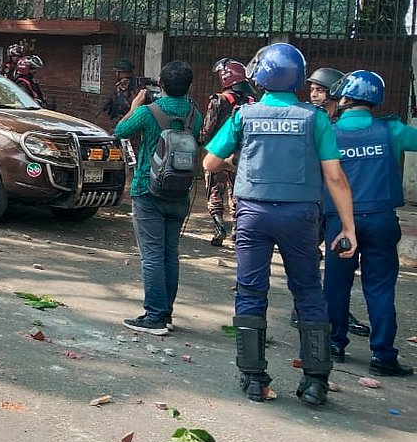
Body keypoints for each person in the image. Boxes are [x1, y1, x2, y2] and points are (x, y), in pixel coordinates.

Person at [203, 42, 357, 406]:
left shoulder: (244, 115)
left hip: (253, 215)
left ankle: (255, 379)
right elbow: (335, 177)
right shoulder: (315, 118)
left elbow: (209, 162)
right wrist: (348, 228)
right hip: (301, 217)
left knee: (251, 292)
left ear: (263, 77)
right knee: (308, 292)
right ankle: (316, 382)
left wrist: (238, 168)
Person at [322, 71, 414, 376]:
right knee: (380, 287)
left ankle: (334, 343)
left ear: (345, 97)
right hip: (381, 220)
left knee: (336, 286)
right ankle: (382, 354)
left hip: (339, 221)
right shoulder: (392, 130)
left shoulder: (328, 132)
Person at [114, 61, 201, 337]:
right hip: (180, 192)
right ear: (189, 86)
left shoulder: (148, 111)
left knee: (151, 256)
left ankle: (154, 317)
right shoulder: (193, 114)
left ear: (161, 84)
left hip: (147, 189)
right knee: (170, 254)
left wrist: (135, 105)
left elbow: (120, 131)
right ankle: (166, 313)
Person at [302, 65, 371, 338]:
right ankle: (312, 308)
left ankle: (336, 311)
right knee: (311, 255)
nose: (314, 95)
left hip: (334, 201)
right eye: (312, 90)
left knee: (337, 261)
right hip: (315, 199)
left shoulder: (338, 126)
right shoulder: (314, 121)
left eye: (320, 90)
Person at [199, 58, 257, 247]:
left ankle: (218, 227)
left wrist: (200, 139)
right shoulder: (251, 101)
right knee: (237, 192)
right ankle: (237, 230)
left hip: (218, 153)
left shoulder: (219, 100)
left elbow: (208, 129)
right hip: (241, 155)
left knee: (215, 190)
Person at [101, 57, 136, 123]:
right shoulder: (135, 85)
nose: (116, 74)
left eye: (117, 72)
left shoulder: (124, 86)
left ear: (121, 72)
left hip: (127, 122)